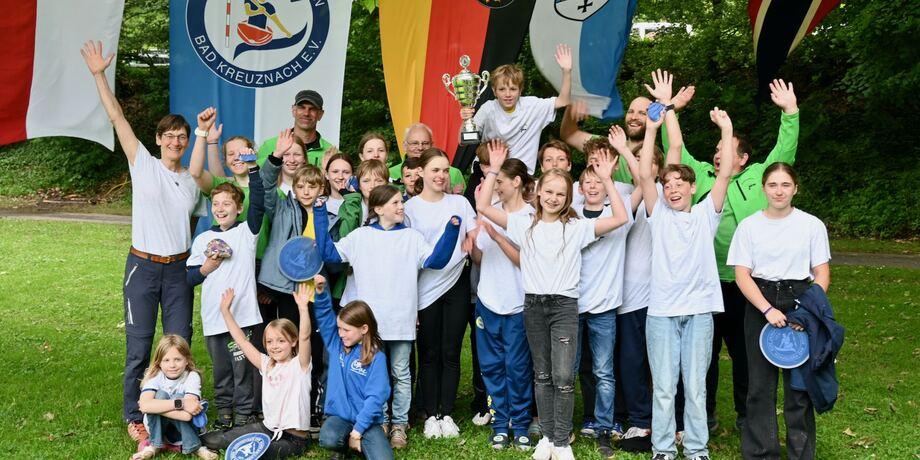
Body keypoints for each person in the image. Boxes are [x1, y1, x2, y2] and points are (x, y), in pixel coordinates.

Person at [654, 76, 800, 432]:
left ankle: (746, 416)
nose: (719, 155)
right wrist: (669, 107)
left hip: (746, 282)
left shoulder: (759, 178)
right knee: (703, 358)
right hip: (704, 283)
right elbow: (675, 150)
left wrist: (790, 112)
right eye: (718, 151)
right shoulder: (700, 177)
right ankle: (703, 416)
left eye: (727, 151)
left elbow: (785, 152)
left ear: (744, 158)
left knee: (744, 353)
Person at [81, 40, 207, 444]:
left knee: (179, 347)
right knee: (139, 349)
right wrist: (100, 74)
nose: (175, 141)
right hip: (142, 266)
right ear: (157, 139)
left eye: (181, 137)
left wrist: (206, 133)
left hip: (178, 270)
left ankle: (176, 416)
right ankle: (136, 416)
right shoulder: (143, 164)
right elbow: (116, 116)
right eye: (169, 136)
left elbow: (213, 175)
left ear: (186, 142)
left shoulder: (192, 182)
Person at [476, 140, 629, 460]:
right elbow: (485, 209)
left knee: (562, 377)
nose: (554, 198)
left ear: (567, 197)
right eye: (549, 192)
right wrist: (492, 169)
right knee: (542, 375)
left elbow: (619, 219)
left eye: (561, 194)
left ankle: (561, 440)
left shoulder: (577, 227)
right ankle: (547, 436)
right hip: (533, 306)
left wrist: (607, 180)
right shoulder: (523, 223)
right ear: (539, 192)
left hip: (563, 307)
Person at [313, 184, 462, 449]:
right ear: (378, 208)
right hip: (370, 326)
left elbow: (437, 260)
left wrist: (452, 229)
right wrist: (320, 214)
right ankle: (380, 421)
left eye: (401, 201)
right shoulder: (360, 236)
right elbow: (328, 252)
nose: (401, 206)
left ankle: (399, 426)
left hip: (401, 320)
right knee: (375, 375)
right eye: (394, 203)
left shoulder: (412, 238)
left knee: (401, 374)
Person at [637, 77, 736, 460]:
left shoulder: (704, 216)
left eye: (681, 182)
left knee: (695, 387)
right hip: (661, 313)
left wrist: (726, 131)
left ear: (693, 188)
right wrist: (653, 125)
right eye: (669, 184)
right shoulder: (656, 214)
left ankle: (696, 449)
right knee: (664, 387)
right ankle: (663, 449)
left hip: (698, 314)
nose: (673, 187)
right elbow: (646, 172)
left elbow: (725, 173)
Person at [727, 163, 830, 460]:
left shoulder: (811, 225)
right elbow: (742, 275)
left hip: (801, 299)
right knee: (759, 385)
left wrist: (806, 312)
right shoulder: (749, 226)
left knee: (799, 386)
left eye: (785, 185)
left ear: (795, 188)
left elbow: (821, 274)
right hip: (761, 300)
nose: (779, 191)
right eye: (773, 185)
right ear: (763, 189)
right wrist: (767, 308)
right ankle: (762, 452)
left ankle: (800, 453)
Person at [186, 143, 265, 430]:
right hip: (213, 319)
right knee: (222, 372)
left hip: (242, 318)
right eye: (216, 204)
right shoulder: (203, 239)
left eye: (227, 204)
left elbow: (259, 201)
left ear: (239, 208)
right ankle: (224, 416)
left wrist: (254, 169)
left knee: (242, 369)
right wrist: (205, 269)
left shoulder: (247, 232)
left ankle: (244, 416)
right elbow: (189, 278)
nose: (220, 209)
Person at [404, 149, 479, 439]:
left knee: (450, 351)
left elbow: (473, 233)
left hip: (456, 284)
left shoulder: (459, 202)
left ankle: (445, 413)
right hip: (425, 288)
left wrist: (473, 239)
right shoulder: (409, 208)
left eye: (445, 170)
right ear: (421, 172)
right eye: (435, 170)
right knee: (429, 352)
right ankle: (429, 413)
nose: (440, 175)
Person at [257, 129, 328, 425]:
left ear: (320, 188)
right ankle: (283, 403)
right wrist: (275, 157)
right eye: (302, 188)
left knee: (316, 346)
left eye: (313, 187)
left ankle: (313, 404)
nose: (307, 192)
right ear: (295, 189)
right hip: (290, 290)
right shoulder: (283, 206)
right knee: (293, 342)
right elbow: (264, 188)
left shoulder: (328, 212)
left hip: (319, 291)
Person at [468, 153, 536, 451]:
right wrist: (472, 246)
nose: (496, 187)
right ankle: (500, 424)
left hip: (518, 304)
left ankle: (520, 424)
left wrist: (498, 238)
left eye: (501, 182)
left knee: (518, 367)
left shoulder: (532, 217)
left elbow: (526, 262)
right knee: (492, 366)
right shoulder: (489, 211)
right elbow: (480, 257)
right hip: (488, 301)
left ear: (517, 182)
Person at [605, 126, 665, 452]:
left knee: (635, 360)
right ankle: (623, 415)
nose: (640, 165)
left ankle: (643, 421)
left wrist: (627, 150)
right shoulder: (623, 193)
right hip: (616, 292)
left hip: (643, 295)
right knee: (616, 360)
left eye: (647, 160)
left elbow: (643, 186)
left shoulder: (659, 196)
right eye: (637, 160)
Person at [201, 286, 312, 457]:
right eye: (270, 342)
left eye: (281, 340)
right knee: (214, 439)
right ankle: (191, 442)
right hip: (267, 429)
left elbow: (305, 336)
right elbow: (242, 342)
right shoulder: (267, 364)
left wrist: (303, 309)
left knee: (256, 454)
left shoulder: (300, 365)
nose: (274, 346)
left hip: (293, 438)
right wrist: (225, 312)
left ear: (293, 341)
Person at [571, 158, 634, 458]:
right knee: (569, 370)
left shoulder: (616, 214)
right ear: (580, 188)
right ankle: (565, 427)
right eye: (589, 181)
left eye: (600, 181)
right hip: (571, 305)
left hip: (604, 308)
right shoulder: (570, 219)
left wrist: (609, 178)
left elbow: (623, 214)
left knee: (603, 371)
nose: (594, 185)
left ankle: (604, 430)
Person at [310, 277, 394, 460]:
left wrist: (358, 430)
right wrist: (321, 293)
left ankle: (359, 440)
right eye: (339, 328)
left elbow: (376, 398)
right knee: (329, 438)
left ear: (364, 328)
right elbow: (325, 318)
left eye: (346, 330)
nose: (340, 334)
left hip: (368, 421)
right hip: (340, 417)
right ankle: (345, 447)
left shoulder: (376, 358)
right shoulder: (335, 346)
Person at [462, 45, 573, 174]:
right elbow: (463, 142)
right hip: (488, 168)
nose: (508, 94)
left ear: (520, 90)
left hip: (519, 173)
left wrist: (567, 71)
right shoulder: (488, 109)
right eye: (502, 89)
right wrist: (466, 121)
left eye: (513, 89)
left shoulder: (532, 105)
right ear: (494, 91)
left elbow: (563, 101)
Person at [132, 335, 217, 460]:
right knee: (161, 395)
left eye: (177, 359)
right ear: (159, 363)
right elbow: (144, 406)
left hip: (183, 431)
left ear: (187, 360)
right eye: (166, 360)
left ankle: (194, 446)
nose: (172, 365)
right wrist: (181, 403)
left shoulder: (192, 376)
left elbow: (187, 415)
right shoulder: (155, 376)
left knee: (172, 396)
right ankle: (154, 445)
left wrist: (156, 407)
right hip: (158, 429)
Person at [257, 90, 334, 168]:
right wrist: (276, 156)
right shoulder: (270, 146)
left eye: (312, 109)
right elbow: (259, 178)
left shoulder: (331, 152)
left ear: (320, 114)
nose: (306, 113)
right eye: (302, 107)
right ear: (294, 110)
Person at [388, 123, 465, 193]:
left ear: (432, 145)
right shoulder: (390, 174)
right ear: (405, 146)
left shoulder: (454, 173)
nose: (420, 147)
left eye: (425, 143)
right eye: (415, 143)